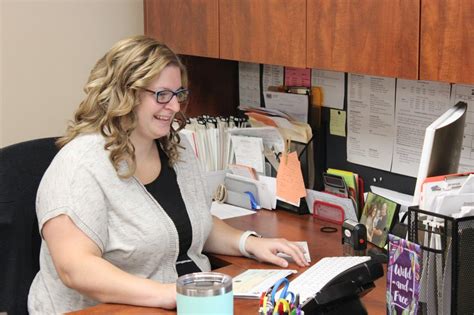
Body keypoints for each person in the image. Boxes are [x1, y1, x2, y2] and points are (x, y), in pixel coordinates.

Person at [27, 35, 308, 314]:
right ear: (124, 94)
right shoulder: (79, 165)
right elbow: (76, 269)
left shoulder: (177, 148)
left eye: (179, 95)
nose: (174, 107)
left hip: (183, 303)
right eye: (162, 95)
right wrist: (169, 295)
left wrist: (250, 243)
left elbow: (193, 222)